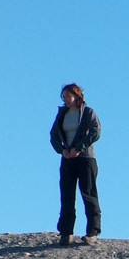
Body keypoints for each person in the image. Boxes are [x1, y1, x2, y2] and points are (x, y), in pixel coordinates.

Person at [50, 83, 102, 246]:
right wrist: (62, 150)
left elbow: (96, 132)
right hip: (67, 160)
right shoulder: (62, 115)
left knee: (88, 194)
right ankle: (66, 233)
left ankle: (92, 232)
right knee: (67, 195)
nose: (66, 99)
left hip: (86, 159)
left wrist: (79, 148)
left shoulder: (88, 113)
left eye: (68, 96)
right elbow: (53, 135)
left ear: (77, 96)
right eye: (63, 96)